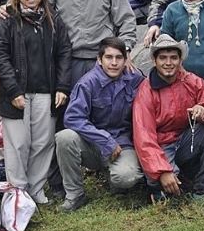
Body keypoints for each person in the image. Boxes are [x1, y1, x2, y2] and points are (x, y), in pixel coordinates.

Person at [0, 0, 72, 204]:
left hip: (47, 91)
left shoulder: (52, 19)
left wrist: (62, 86)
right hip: (16, 93)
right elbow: (0, 55)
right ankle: (17, 193)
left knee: (43, 143)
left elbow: (65, 51)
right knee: (18, 144)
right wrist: (13, 90)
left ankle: (36, 189)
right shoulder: (7, 20)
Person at [133, 34, 204, 202]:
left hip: (186, 139)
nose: (168, 63)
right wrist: (162, 171)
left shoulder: (192, 81)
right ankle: (158, 187)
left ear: (180, 61)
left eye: (173, 58)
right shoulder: (145, 91)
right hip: (161, 145)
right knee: (167, 186)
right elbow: (144, 137)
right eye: (163, 58)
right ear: (154, 61)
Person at [55, 37, 145, 212]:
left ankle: (116, 180)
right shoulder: (87, 83)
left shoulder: (136, 79)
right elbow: (73, 118)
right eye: (108, 57)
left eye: (119, 58)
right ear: (99, 60)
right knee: (64, 137)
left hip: (123, 144)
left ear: (126, 60)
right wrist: (105, 140)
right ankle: (75, 194)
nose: (113, 63)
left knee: (126, 178)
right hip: (94, 145)